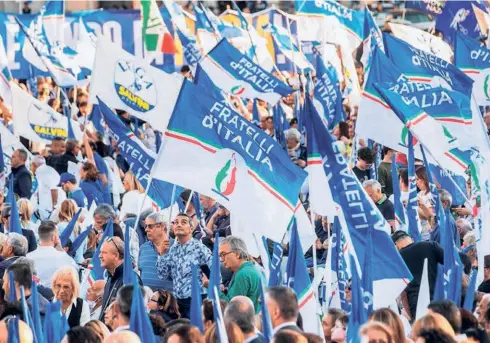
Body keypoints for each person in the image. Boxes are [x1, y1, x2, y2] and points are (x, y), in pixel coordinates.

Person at [156, 213, 212, 319]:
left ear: (191, 228)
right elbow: (162, 275)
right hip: (178, 303)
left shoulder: (200, 248)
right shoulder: (172, 250)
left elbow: (215, 271)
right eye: (176, 222)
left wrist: (209, 282)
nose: (179, 225)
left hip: (197, 300)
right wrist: (162, 254)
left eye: (183, 222)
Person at [391, 230, 443, 320]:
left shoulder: (397, 260)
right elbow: (451, 265)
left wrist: (411, 318)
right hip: (439, 298)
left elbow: (403, 293)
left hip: (417, 305)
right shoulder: (431, 245)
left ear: (395, 245)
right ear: (411, 239)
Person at [26, 221, 78, 288]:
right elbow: (75, 269)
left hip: (31, 294)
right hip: (52, 295)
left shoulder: (28, 256)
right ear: (53, 237)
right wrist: (61, 249)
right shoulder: (62, 257)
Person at [217, 236, 262, 313]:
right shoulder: (251, 268)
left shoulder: (242, 274)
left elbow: (231, 307)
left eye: (223, 254)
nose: (222, 259)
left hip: (247, 322)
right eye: (220, 256)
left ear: (237, 254)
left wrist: (214, 289)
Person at [139, 212, 173, 292]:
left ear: (162, 226)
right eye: (145, 226)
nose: (146, 229)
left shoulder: (177, 247)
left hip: (168, 300)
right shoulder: (143, 248)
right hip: (147, 300)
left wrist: (163, 254)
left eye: (150, 226)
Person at [30, 155, 61, 220]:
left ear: (34, 164)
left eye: (31, 165)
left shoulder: (45, 173)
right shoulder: (46, 170)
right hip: (45, 209)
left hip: (48, 211)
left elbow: (54, 189)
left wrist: (54, 207)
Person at [415, 167, 434, 240]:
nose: (416, 182)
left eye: (418, 179)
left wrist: (415, 207)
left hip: (427, 234)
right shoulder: (420, 193)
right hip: (418, 232)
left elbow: (429, 216)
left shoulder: (432, 195)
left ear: (424, 178)